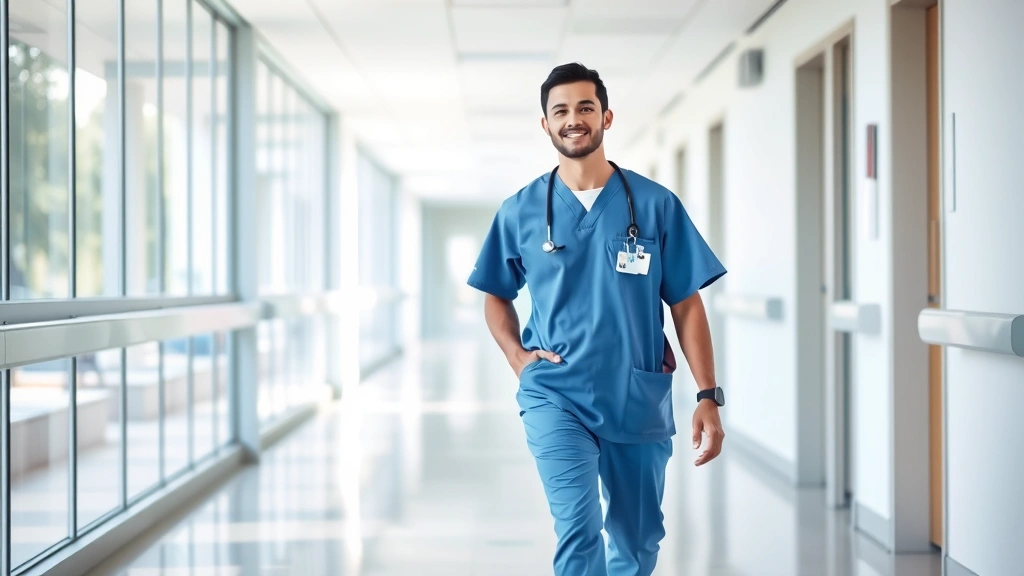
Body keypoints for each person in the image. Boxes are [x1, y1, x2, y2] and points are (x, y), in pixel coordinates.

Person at [465, 62, 728, 576]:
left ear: (606, 117)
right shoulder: (520, 211)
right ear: (545, 124)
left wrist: (707, 395)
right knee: (578, 528)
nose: (573, 119)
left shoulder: (654, 205)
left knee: (637, 541)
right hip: (554, 393)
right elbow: (494, 293)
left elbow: (686, 303)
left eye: (585, 107)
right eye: (560, 110)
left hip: (636, 395)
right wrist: (519, 358)